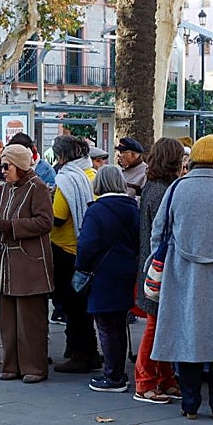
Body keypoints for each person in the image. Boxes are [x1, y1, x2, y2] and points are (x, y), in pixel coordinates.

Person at [150, 136, 213, 420]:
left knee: (187, 337)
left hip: (182, 273)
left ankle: (190, 404)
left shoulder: (177, 189)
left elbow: (159, 232)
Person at [0, 144, 55, 383]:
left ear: (19, 164)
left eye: (6, 166)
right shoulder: (7, 187)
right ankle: (11, 364)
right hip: (9, 260)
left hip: (31, 263)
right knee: (8, 319)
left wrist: (13, 227)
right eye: (1, 165)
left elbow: (45, 222)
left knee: (30, 320)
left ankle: (34, 367)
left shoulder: (37, 187)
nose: (2, 170)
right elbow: (3, 216)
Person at [77, 166, 140, 392]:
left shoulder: (96, 210)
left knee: (105, 325)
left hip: (103, 273)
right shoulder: (133, 207)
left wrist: (81, 267)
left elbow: (86, 246)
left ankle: (113, 376)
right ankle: (118, 371)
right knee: (119, 324)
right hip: (126, 270)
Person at [133, 138, 186, 404]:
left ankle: (164, 377)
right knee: (155, 325)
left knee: (160, 324)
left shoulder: (153, 186)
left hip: (151, 263)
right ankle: (145, 381)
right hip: (159, 265)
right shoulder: (163, 190)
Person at [49, 135, 100, 375]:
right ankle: (90, 353)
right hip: (90, 250)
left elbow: (57, 218)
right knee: (85, 307)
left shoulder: (67, 180)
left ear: (61, 157)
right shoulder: (92, 175)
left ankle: (80, 355)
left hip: (67, 251)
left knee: (73, 307)